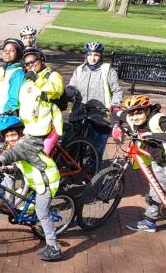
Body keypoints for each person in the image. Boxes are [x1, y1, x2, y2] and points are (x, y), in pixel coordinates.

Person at [0, 113, 62, 261]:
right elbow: (17, 165)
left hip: (48, 180)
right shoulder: (18, 144)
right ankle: (32, 220)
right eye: (7, 136)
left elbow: (12, 154)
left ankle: (54, 248)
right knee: (28, 203)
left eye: (13, 135)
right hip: (38, 179)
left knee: (42, 212)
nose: (10, 139)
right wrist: (3, 169)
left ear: (20, 133)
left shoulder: (24, 144)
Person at [67, 42, 123, 169]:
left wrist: (115, 105)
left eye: (96, 55)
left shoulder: (108, 70)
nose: (93, 58)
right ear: (86, 56)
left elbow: (117, 91)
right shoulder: (80, 69)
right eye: (90, 54)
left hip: (100, 112)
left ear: (101, 56)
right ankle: (73, 166)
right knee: (74, 141)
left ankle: (94, 170)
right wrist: (70, 90)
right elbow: (72, 85)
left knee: (97, 144)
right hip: (80, 110)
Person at [114, 95, 166, 233]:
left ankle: (150, 222)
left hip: (163, 161)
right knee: (156, 186)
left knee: (157, 188)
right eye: (131, 114)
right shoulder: (132, 119)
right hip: (155, 158)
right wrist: (116, 125)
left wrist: (154, 135)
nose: (134, 117)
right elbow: (117, 114)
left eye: (139, 112)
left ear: (147, 111)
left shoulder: (159, 120)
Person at [18, 47, 65, 155]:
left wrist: (37, 79)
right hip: (30, 127)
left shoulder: (52, 75)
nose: (30, 65)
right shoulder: (28, 79)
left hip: (47, 125)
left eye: (33, 61)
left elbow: (57, 90)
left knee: (42, 160)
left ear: (41, 59)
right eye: (27, 64)